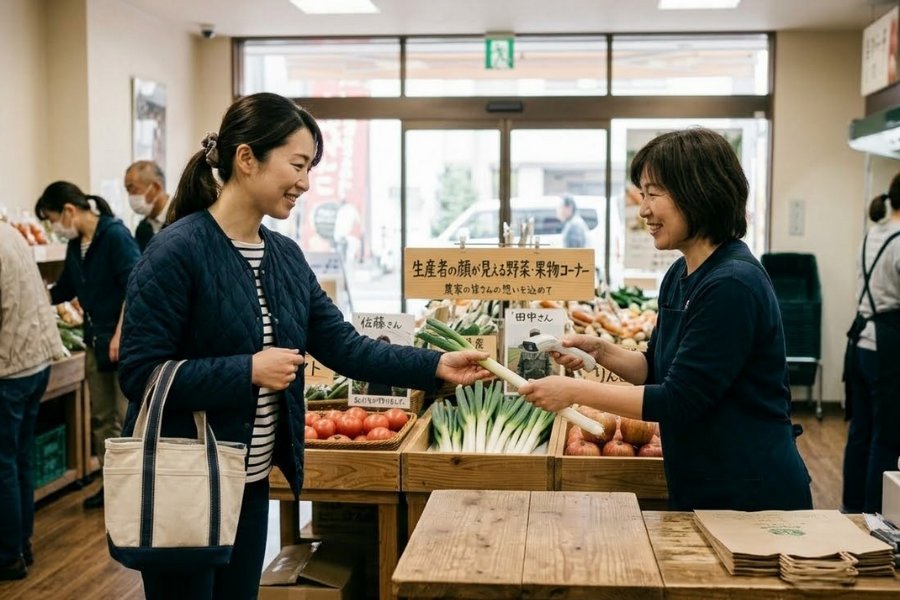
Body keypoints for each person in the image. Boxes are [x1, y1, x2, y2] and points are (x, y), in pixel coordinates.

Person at [117, 92, 490, 600]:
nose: (305, 183)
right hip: (186, 481)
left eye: (310, 167)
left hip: (250, 480)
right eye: (297, 165)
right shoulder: (177, 250)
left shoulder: (285, 256)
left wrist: (437, 364)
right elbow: (139, 374)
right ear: (246, 159)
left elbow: (344, 346)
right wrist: (246, 369)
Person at [519, 128, 813, 512]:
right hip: (703, 478)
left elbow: (677, 401)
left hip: (750, 491)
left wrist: (572, 392)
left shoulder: (733, 284)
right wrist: (600, 350)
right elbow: (654, 368)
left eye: (653, 194)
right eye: (642, 195)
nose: (643, 210)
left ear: (699, 192)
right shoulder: (681, 274)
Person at [34, 182, 141, 509]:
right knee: (101, 418)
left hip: (122, 343)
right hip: (95, 340)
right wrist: (34, 298)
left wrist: (121, 334)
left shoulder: (114, 236)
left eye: (53, 219)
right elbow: (65, 288)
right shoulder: (76, 245)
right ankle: (111, 487)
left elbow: (135, 285)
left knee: (127, 418)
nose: (54, 228)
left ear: (69, 210)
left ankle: (135, 491)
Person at [0, 221, 64, 580]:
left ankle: (8, 554)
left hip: (9, 368)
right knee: (19, 458)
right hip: (35, 362)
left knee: (3, 463)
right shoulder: (9, 233)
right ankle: (22, 542)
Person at [841, 175, 900, 514]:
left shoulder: (872, 234)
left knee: (860, 431)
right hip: (888, 347)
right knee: (888, 433)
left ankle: (852, 510)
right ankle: (877, 514)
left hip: (860, 343)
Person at [124, 160, 171, 252]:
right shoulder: (142, 229)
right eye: (127, 191)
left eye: (133, 190)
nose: (130, 196)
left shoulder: (183, 217)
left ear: (156, 187)